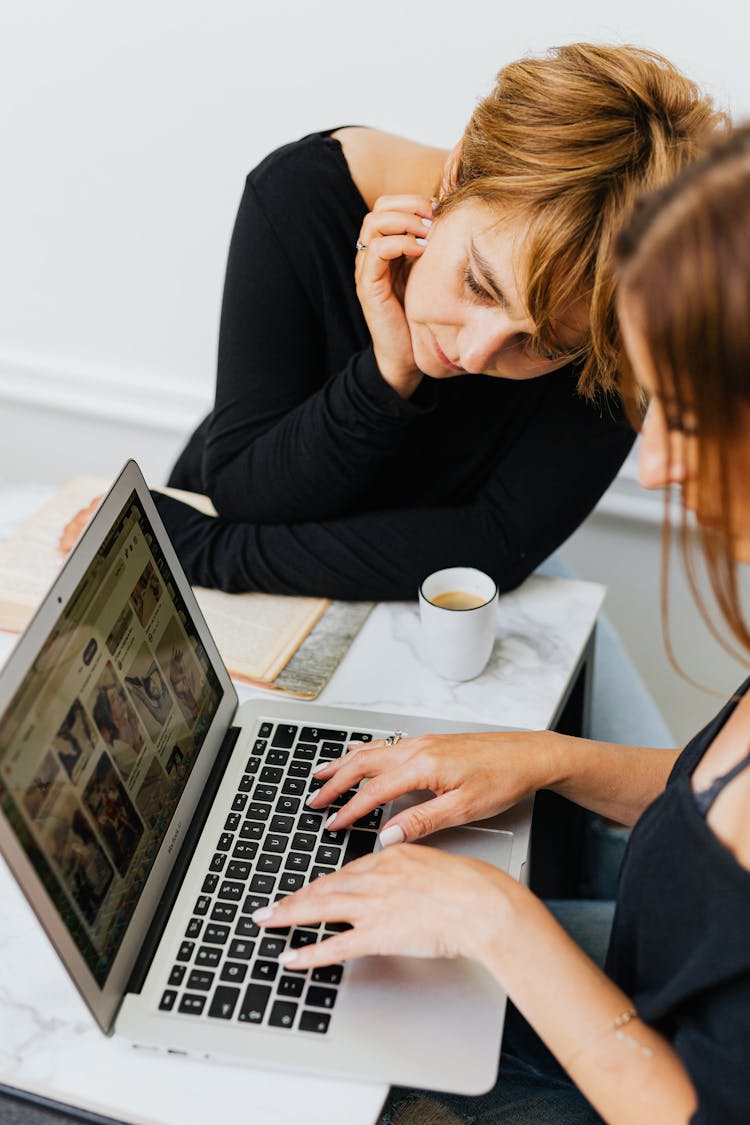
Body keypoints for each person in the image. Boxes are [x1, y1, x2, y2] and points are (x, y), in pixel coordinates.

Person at [248, 126, 750, 1122]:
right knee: (299, 982)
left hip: (651, 1085)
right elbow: (716, 811)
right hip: (642, 1002)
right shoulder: (304, 202)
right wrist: (546, 757)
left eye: (686, 419)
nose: (654, 469)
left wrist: (498, 921)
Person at [152, 44, 725, 602]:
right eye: (480, 284)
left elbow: (497, 545)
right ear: (455, 176)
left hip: (255, 563)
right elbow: (241, 494)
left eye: (543, 345)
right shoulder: (302, 194)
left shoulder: (625, 317)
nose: (475, 356)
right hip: (232, 553)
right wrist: (385, 375)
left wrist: (210, 551)